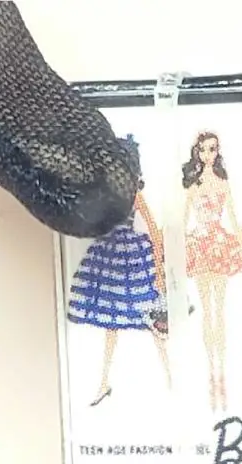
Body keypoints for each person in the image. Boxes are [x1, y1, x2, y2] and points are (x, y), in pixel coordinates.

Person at [66, 135, 172, 405]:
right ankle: (104, 382)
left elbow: (154, 229)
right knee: (111, 323)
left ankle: (171, 379)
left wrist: (158, 270)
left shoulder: (134, 195)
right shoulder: (105, 194)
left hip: (130, 257)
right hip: (108, 255)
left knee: (151, 319)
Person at [182, 131, 242, 411]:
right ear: (197, 152)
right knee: (207, 311)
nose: (209, 154)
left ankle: (221, 374)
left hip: (218, 245)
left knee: (219, 310)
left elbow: (232, 217)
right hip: (200, 246)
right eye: (204, 149)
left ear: (217, 152)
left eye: (213, 149)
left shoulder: (222, 183)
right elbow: (184, 220)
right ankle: (211, 372)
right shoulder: (193, 185)